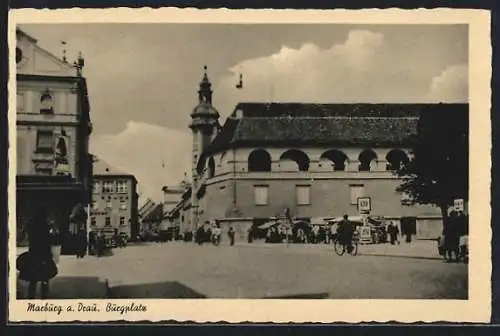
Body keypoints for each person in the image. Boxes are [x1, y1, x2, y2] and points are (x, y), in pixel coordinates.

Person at [17, 207, 58, 299]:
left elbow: (22, 236)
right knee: (45, 274)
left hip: (34, 251)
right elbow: (52, 238)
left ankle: (31, 296)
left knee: (33, 276)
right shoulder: (46, 224)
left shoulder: (31, 223)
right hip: (44, 252)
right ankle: (44, 296)